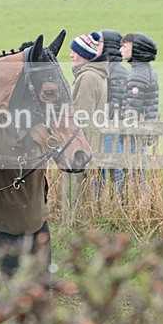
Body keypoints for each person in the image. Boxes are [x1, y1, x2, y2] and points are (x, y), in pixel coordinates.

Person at [0, 125, 51, 281]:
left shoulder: (41, 124)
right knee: (15, 288)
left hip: (37, 222)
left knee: (42, 284)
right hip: (3, 224)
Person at [63, 32, 108, 218]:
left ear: (84, 54)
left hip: (83, 141)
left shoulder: (87, 77)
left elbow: (81, 116)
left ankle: (76, 219)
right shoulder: (94, 74)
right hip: (91, 139)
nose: (71, 55)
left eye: (75, 51)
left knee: (80, 187)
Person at [120, 33, 159, 188]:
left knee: (134, 171)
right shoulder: (146, 70)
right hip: (142, 131)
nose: (120, 50)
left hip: (135, 134)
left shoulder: (138, 75)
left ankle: (136, 201)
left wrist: (124, 133)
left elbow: (132, 108)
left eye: (124, 46)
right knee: (138, 169)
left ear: (135, 49)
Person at [99, 30, 129, 195]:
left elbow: (116, 101)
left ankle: (119, 198)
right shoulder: (110, 67)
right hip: (107, 126)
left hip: (112, 128)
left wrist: (101, 117)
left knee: (115, 167)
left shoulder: (116, 70)